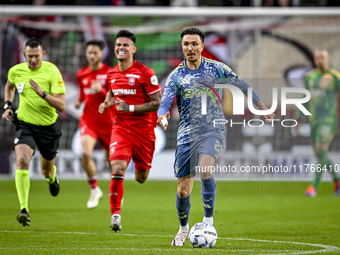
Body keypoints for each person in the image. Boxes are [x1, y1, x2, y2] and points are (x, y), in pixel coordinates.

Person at [157, 27, 275, 246]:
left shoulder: (216, 69)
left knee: (206, 168)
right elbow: (165, 101)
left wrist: (262, 108)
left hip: (213, 130)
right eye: (186, 44)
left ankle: (208, 220)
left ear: (202, 46)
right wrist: (162, 115)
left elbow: (243, 86)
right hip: (186, 135)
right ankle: (183, 229)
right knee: (183, 189)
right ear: (182, 46)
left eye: (194, 44)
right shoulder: (176, 76)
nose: (190, 48)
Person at [98, 30, 162, 232]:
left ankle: (139, 170)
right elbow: (111, 92)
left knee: (141, 178)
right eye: (118, 45)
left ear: (133, 49)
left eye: (125, 45)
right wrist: (107, 102)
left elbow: (157, 102)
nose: (121, 48)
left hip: (144, 132)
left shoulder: (145, 73)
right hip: (121, 129)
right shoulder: (111, 73)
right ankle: (115, 215)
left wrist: (132, 108)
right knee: (117, 168)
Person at [1, 38, 66, 226]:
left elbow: (62, 105)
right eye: (29, 57)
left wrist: (43, 94)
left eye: (36, 56)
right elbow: (9, 86)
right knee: (22, 161)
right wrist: (7, 106)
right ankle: (24, 209)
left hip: (48, 128)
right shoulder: (16, 71)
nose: (33, 60)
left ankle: (52, 178)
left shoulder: (52, 71)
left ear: (43, 54)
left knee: (46, 170)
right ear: (24, 55)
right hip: (25, 125)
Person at [75, 40, 113, 209]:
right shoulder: (81, 74)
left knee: (111, 160)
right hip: (89, 121)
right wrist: (78, 101)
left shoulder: (110, 73)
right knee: (85, 154)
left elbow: (114, 99)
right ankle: (95, 189)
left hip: (107, 122)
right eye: (89, 52)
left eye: (95, 53)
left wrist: (102, 91)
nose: (91, 56)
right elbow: (83, 94)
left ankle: (115, 191)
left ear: (101, 54)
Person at [296, 50, 340, 197]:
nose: (320, 60)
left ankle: (313, 187)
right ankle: (337, 180)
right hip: (314, 119)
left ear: (328, 59)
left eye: (323, 57)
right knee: (319, 153)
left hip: (329, 119)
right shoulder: (310, 77)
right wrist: (298, 116)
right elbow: (305, 97)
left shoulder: (335, 77)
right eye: (317, 58)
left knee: (321, 151)